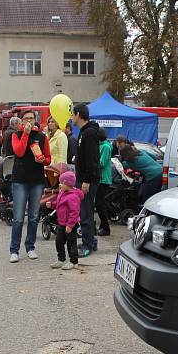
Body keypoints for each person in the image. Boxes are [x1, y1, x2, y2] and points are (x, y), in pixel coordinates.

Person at [8, 109, 51, 263]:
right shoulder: (16, 135)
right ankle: (14, 250)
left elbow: (48, 158)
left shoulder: (42, 136)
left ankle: (30, 247)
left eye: (31, 118)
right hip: (20, 180)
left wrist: (43, 161)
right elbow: (19, 152)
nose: (28, 121)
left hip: (37, 180)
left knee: (33, 216)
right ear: (21, 121)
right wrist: (25, 134)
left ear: (35, 120)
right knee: (18, 217)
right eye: (25, 118)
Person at [72, 104, 101, 257]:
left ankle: (87, 245)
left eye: (72, 114)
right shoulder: (85, 132)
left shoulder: (88, 133)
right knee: (86, 211)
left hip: (87, 180)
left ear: (78, 114)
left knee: (85, 212)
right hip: (84, 178)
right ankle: (91, 240)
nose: (71, 117)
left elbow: (92, 159)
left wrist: (87, 180)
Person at [50, 170, 84, 271]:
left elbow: (74, 212)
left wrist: (70, 225)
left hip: (70, 224)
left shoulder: (73, 197)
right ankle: (61, 258)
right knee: (59, 241)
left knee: (71, 243)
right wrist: (51, 205)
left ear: (67, 184)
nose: (59, 185)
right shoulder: (62, 192)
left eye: (61, 183)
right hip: (61, 222)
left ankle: (73, 261)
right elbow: (58, 203)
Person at [96, 129, 113, 236]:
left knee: (99, 203)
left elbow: (102, 163)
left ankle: (106, 228)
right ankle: (103, 226)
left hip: (103, 178)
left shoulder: (105, 147)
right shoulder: (101, 145)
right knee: (99, 203)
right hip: (100, 178)